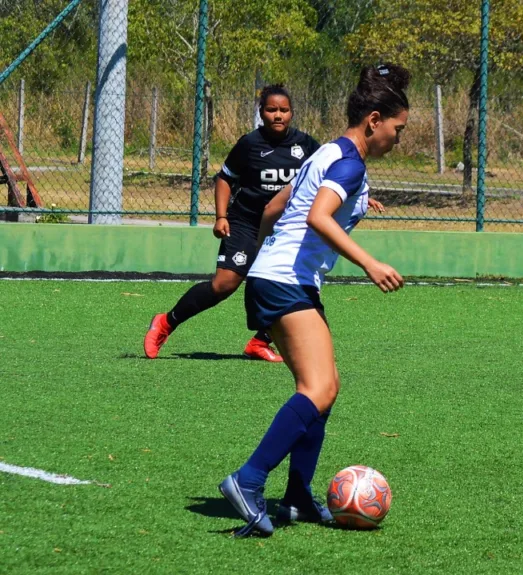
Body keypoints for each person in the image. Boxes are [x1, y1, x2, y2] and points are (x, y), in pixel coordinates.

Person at [217, 63, 409, 537]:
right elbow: (318, 217)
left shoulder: (324, 152)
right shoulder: (350, 162)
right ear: (374, 120)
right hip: (285, 281)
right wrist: (370, 263)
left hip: (283, 279)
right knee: (317, 389)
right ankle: (248, 479)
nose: (398, 139)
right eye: (397, 129)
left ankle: (298, 497)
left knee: (325, 389)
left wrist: (261, 263)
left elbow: (274, 207)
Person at [143, 85, 320, 362]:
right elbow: (225, 179)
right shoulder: (249, 144)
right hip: (246, 222)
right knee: (224, 284)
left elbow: (329, 174)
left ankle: (260, 342)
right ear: (261, 112)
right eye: (271, 109)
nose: (278, 115)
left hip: (283, 228)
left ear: (292, 113)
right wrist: (221, 216)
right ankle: (166, 322)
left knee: (292, 284)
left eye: (284, 110)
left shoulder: (306, 145)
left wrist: (356, 197)